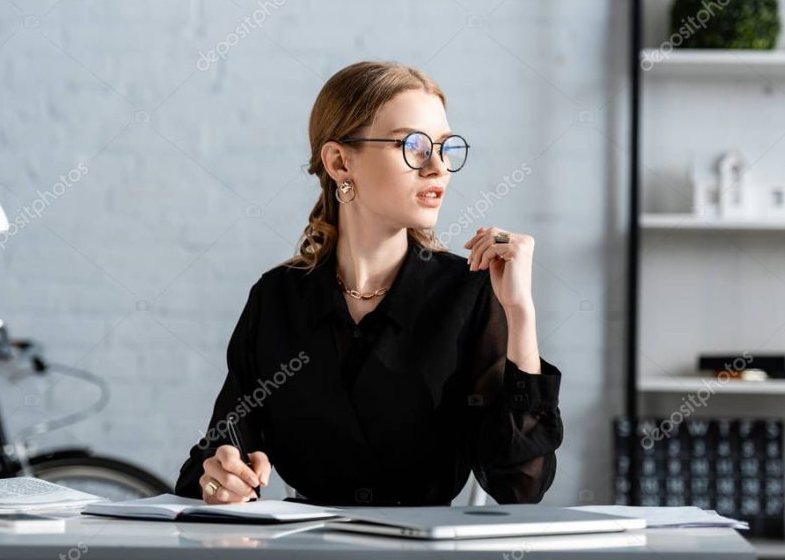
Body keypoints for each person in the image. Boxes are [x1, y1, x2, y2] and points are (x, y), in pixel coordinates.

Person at [175, 61, 563, 506]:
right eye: (414, 145)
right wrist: (220, 479)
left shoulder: (468, 293)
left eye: (445, 147)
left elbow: (521, 485)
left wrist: (520, 313)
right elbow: (212, 460)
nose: (438, 167)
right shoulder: (278, 298)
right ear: (340, 162)